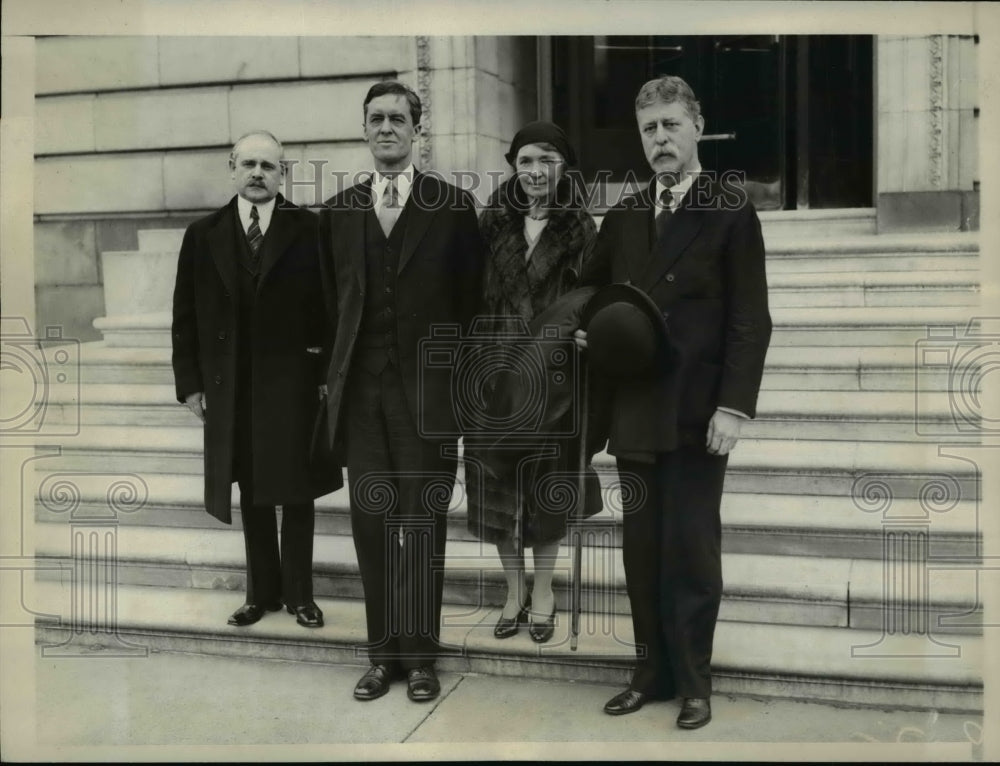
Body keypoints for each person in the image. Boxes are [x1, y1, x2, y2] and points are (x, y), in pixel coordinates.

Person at [575, 76, 772, 729]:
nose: (660, 139)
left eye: (670, 126)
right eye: (649, 130)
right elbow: (592, 291)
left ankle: (694, 681)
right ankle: (650, 672)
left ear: (696, 127)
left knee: (691, 549)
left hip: (696, 413)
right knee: (641, 548)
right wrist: (586, 328)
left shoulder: (729, 208)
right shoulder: (626, 213)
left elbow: (750, 319)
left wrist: (734, 407)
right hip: (636, 408)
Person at [317, 81, 484, 703]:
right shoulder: (336, 212)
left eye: (398, 118)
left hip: (428, 399)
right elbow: (330, 307)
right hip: (362, 397)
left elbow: (472, 306)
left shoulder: (453, 205)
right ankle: (381, 654)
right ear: (364, 130)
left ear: (417, 129)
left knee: (422, 525)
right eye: (376, 119)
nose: (386, 128)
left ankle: (421, 658)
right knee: (371, 523)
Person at [171, 131, 338, 630]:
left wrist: (328, 373)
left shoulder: (310, 229)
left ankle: (301, 595)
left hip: (294, 383)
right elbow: (184, 315)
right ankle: (260, 592)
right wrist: (191, 383)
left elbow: (330, 306)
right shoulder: (203, 234)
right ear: (232, 167)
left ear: (282, 172)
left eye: (268, 165)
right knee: (250, 488)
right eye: (249, 164)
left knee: (298, 489)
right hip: (232, 385)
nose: (258, 173)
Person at [465, 121, 600, 643]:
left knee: (545, 492)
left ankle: (543, 591)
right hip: (492, 374)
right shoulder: (491, 222)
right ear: (513, 167)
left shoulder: (580, 228)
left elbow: (594, 296)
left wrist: (585, 338)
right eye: (525, 160)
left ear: (563, 167)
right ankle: (512, 590)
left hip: (553, 380)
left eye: (546, 159)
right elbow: (468, 292)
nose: (535, 171)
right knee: (497, 490)